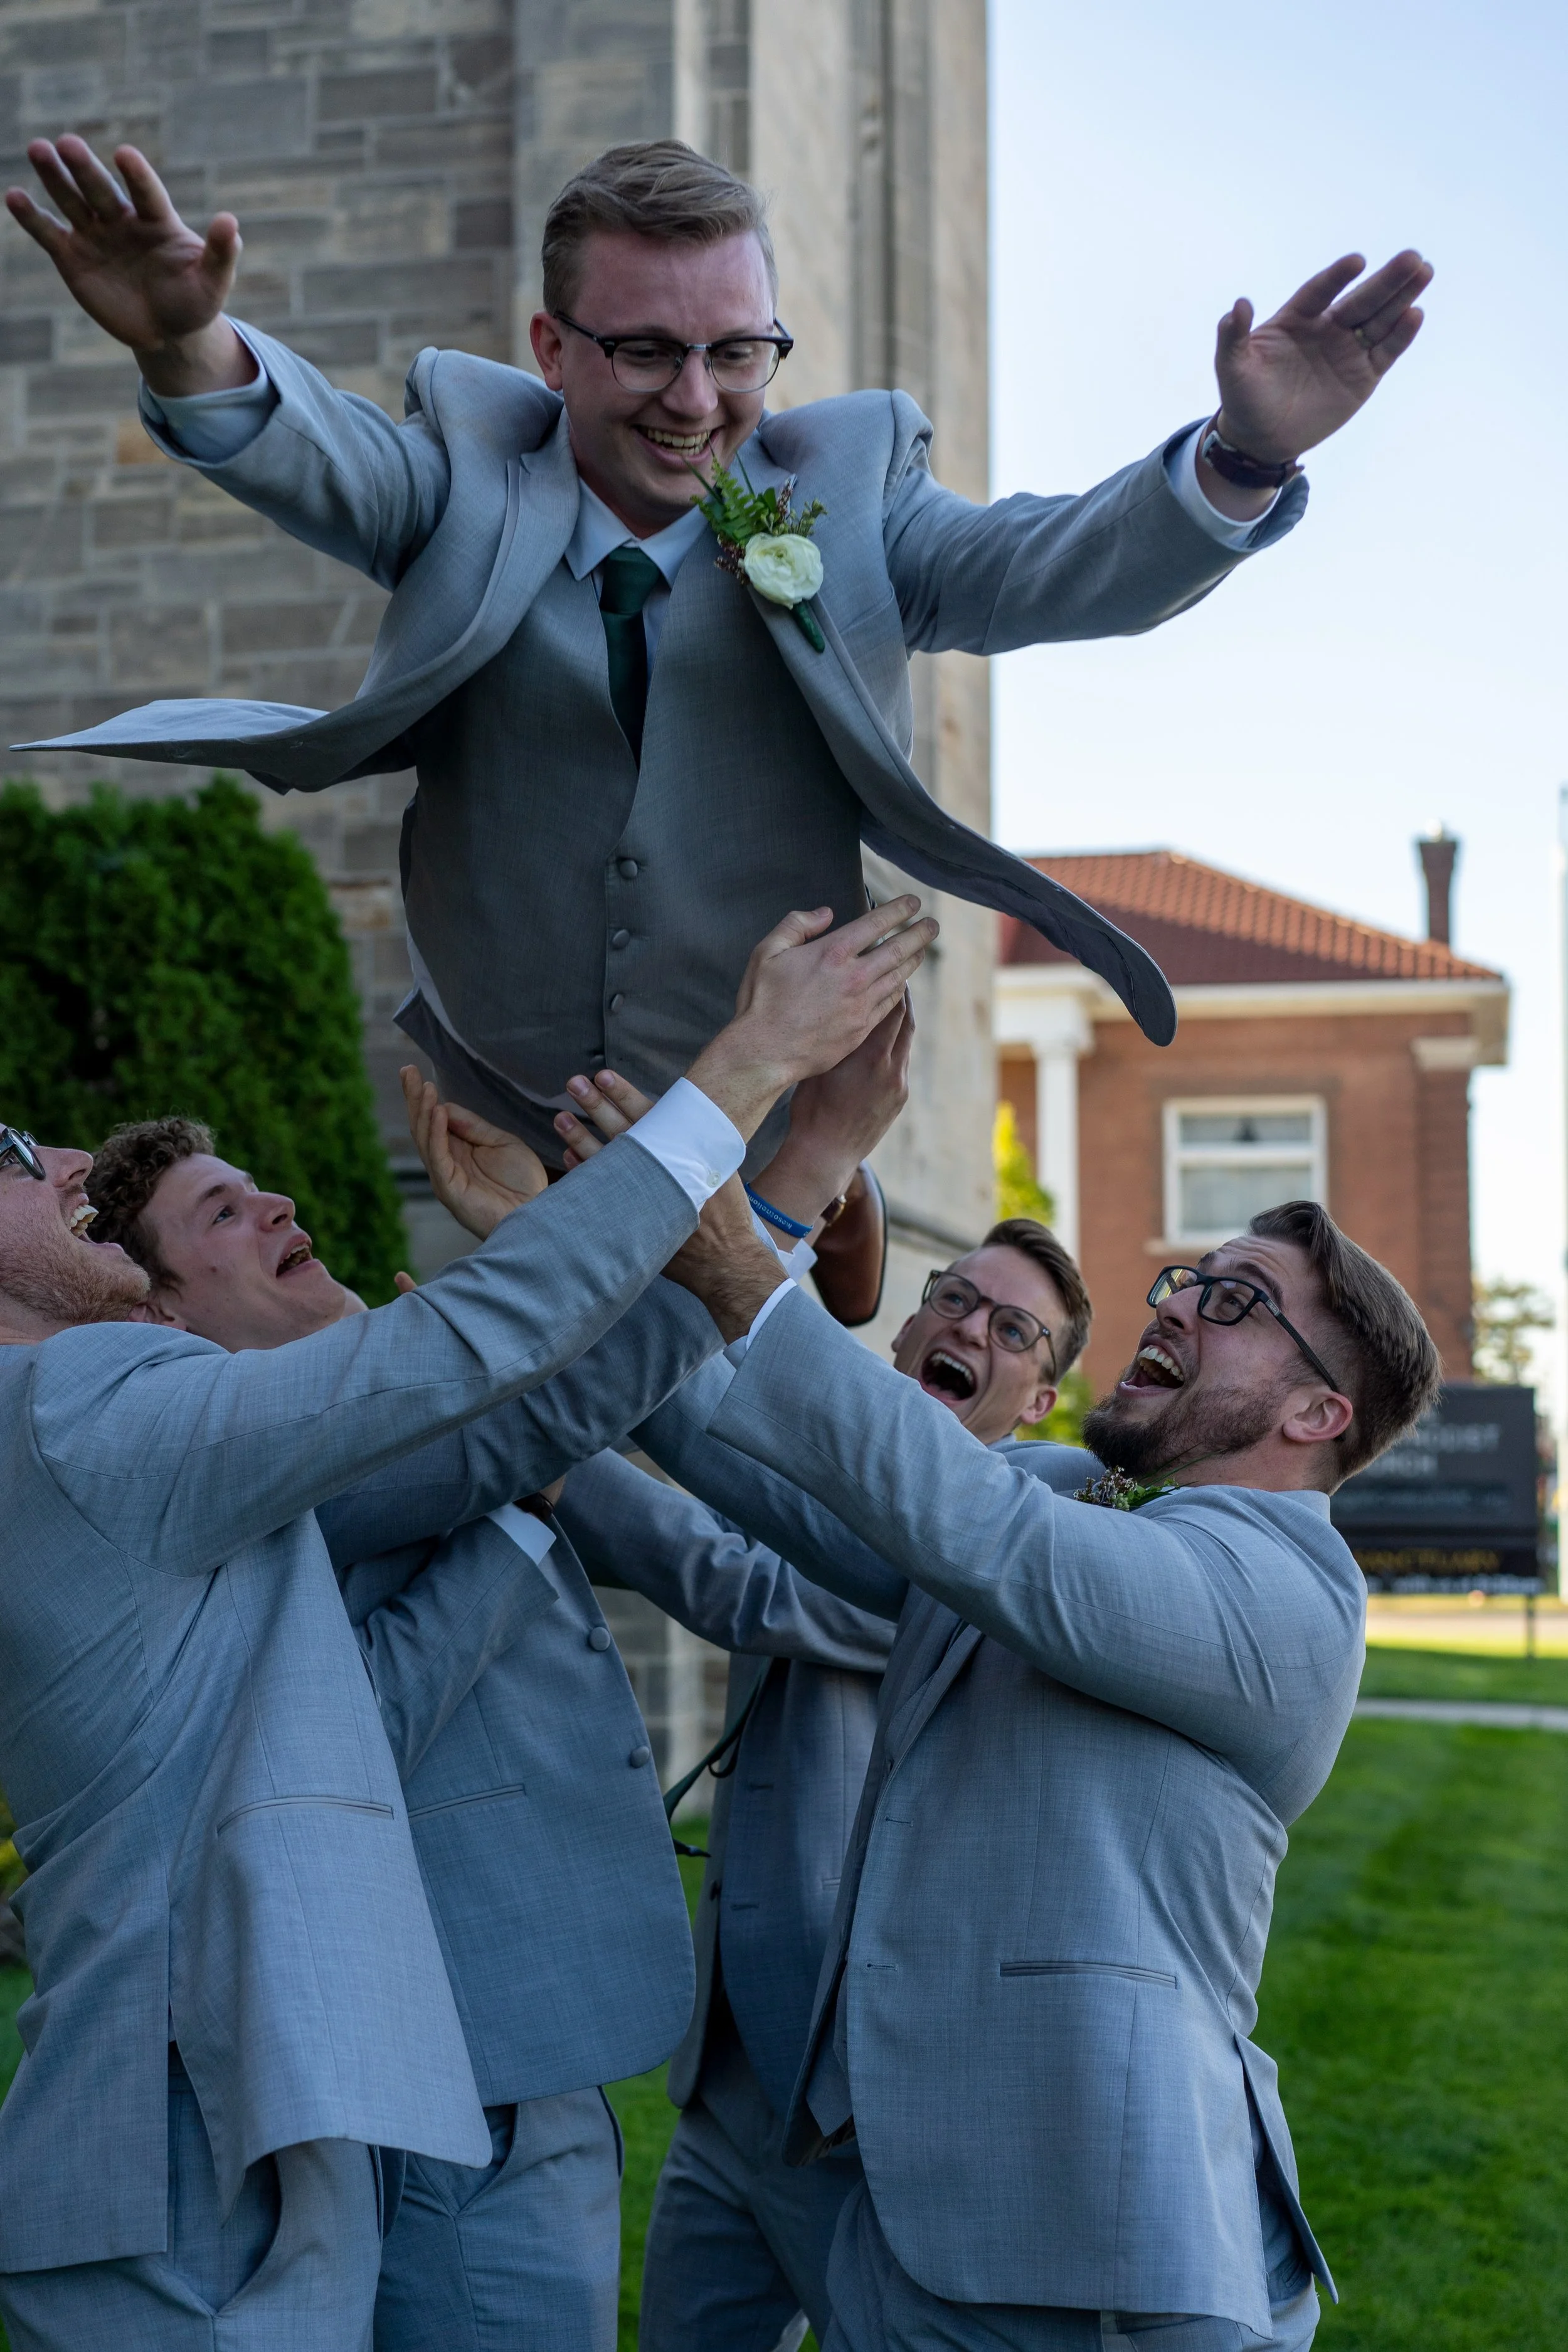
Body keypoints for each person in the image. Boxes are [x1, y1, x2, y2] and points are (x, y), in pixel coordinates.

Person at [9, 137, 1431, 1161]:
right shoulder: (464, 477)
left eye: (736, 352)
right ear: (550, 348)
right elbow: (316, 456)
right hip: (491, 1130)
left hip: (756, 1141)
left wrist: (1240, 456)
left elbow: (1052, 569)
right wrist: (189, 349)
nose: (697, 401)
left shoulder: (851, 500)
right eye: (643, 353)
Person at [0, 898, 930, 2352]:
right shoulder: (82, 1409)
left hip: (256, 2121)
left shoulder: (108, 1422)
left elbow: (542, 1397)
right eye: (11, 1155)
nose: (56, 1155)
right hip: (183, 2146)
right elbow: (492, 1363)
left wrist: (793, 1164)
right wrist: (751, 1072)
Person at [561, 1069, 1438, 2352]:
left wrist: (752, 1275)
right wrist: (584, 1249)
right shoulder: (1067, 1491)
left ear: (1316, 1413)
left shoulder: (1286, 1594)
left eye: (1236, 1301)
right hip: (914, 2227)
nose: (1181, 1302)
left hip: (1105, 2260)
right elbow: (791, 1484)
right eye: (1189, 1280)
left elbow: (971, 1529)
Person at [557, 1212, 1096, 2352]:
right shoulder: (830, 1471)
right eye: (954, 1297)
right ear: (907, 1325)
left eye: (1015, 1331)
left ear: (1040, 1399)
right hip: (730, 2074)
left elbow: (735, 1581)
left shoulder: (993, 1538)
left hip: (856, 2100)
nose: (971, 1329)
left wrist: (553, 1452)